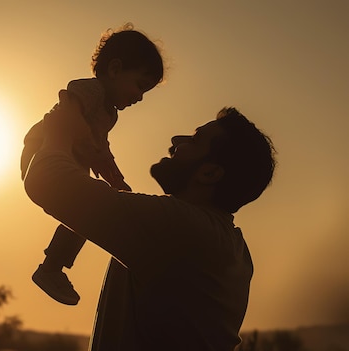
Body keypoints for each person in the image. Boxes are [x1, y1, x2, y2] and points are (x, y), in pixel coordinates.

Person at [23, 93, 276, 350]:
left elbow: (47, 181)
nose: (176, 140)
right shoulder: (226, 244)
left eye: (195, 139)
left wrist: (60, 130)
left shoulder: (182, 228)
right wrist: (117, 193)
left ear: (209, 173)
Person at [20, 23, 164, 306]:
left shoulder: (109, 114)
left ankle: (52, 268)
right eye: (139, 85)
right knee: (86, 205)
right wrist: (85, 146)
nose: (140, 97)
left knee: (88, 210)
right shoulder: (91, 91)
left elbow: (101, 146)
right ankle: (51, 267)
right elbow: (68, 103)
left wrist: (114, 178)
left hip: (73, 158)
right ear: (114, 69)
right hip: (46, 146)